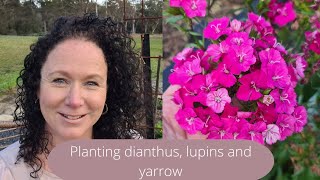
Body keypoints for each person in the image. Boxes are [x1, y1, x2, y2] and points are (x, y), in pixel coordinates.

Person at [0, 14, 145, 179]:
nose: (75, 101)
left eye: (91, 83)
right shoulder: (6, 171)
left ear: (107, 92)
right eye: (59, 80)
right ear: (37, 88)